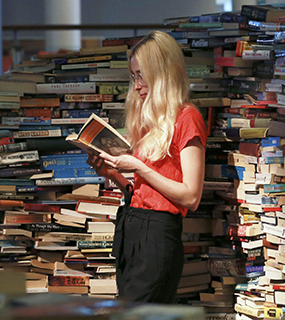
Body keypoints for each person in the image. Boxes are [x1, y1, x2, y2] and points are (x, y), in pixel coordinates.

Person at [86, 30, 207, 304]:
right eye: (133, 77)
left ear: (161, 72)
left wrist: (138, 167)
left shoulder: (187, 118)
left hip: (156, 235)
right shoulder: (153, 119)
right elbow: (145, 192)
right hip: (132, 229)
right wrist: (113, 175)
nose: (137, 85)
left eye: (141, 75)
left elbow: (191, 196)